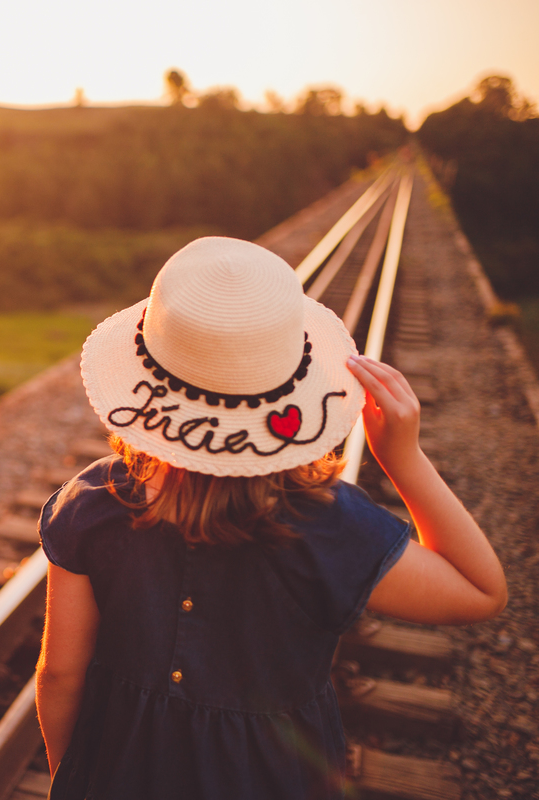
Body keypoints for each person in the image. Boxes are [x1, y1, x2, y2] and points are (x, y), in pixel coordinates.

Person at [35, 237, 507, 799]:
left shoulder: (93, 504)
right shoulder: (328, 525)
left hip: (121, 772)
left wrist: (72, 780)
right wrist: (404, 459)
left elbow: (60, 675)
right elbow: (481, 591)